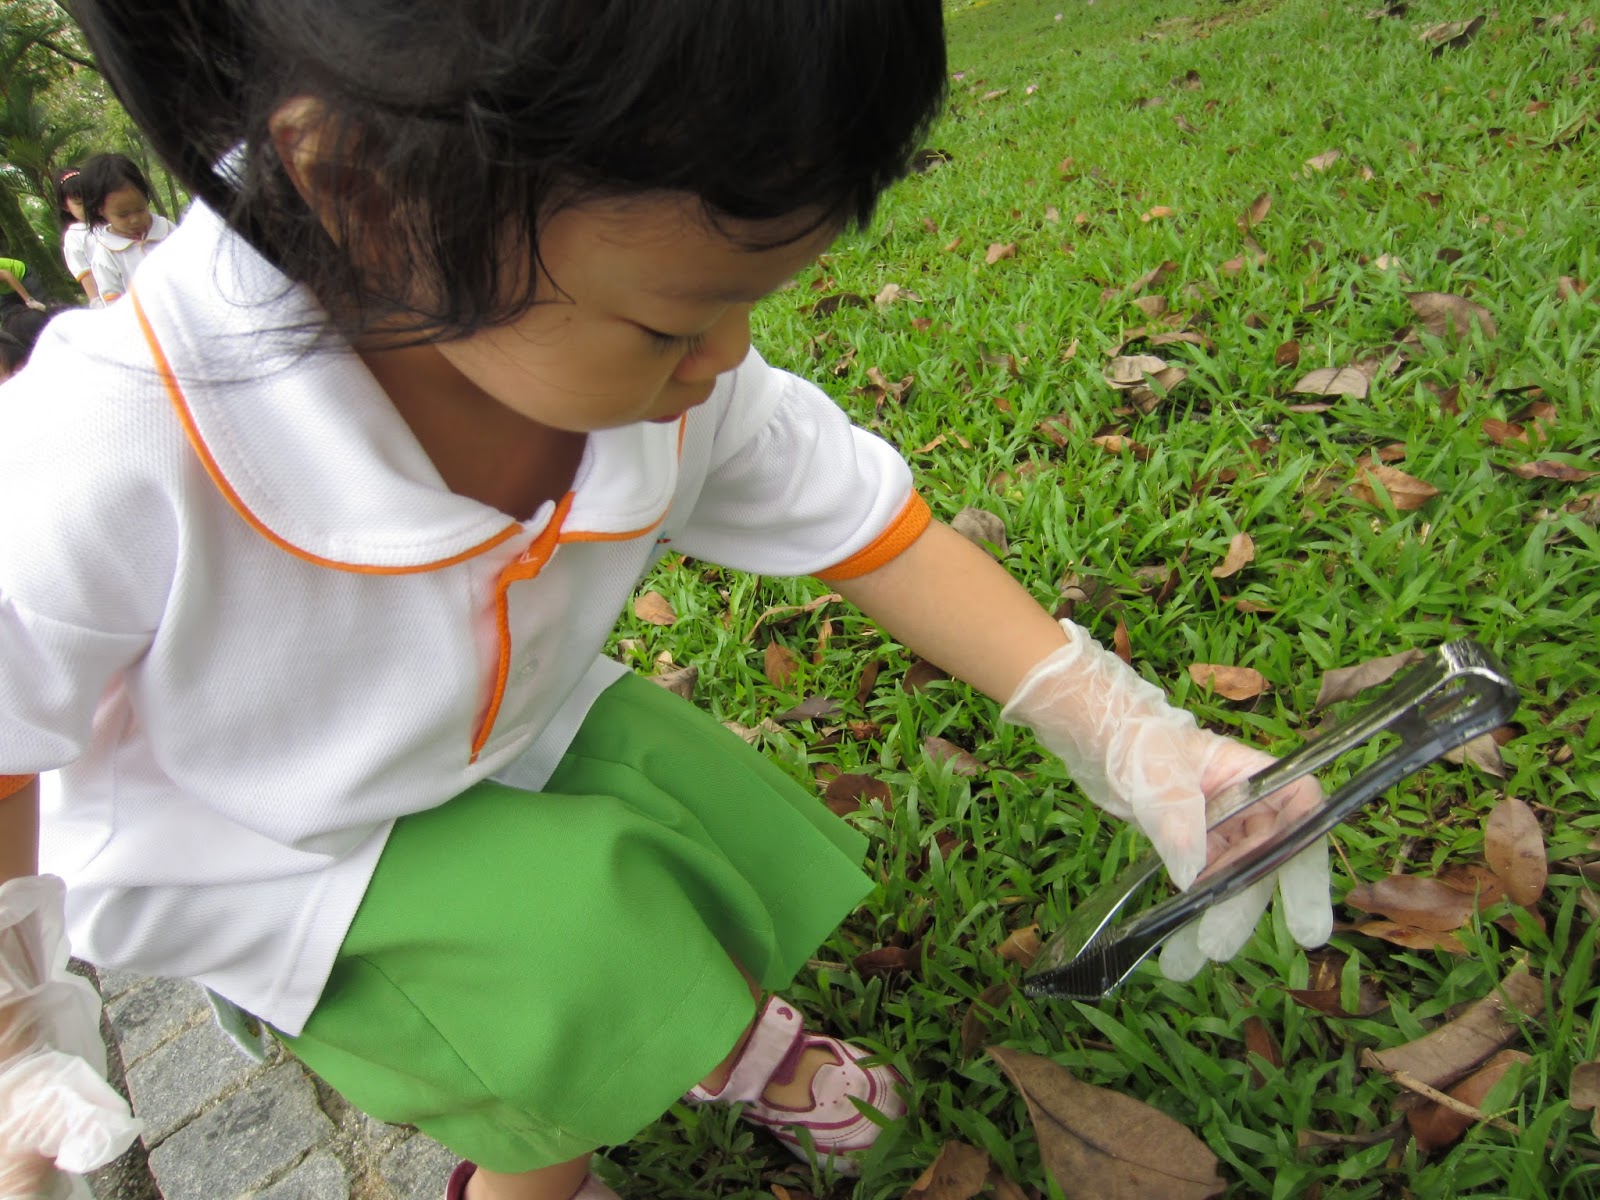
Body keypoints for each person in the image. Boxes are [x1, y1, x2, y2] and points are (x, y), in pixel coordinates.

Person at [0, 3, 1335, 1198]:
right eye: (674, 320)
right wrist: (16, 1030)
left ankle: (718, 1034)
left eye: (748, 302)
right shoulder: (112, 443)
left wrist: (1115, 722)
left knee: (685, 841)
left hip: (509, 725)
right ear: (367, 195)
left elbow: (866, 526)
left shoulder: (652, 358)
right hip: (280, 843)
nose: (728, 357)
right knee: (557, 1016)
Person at [76, 153, 174, 304]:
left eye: (140, 209)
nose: (135, 220)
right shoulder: (106, 255)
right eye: (123, 215)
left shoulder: (166, 229)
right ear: (99, 210)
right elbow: (114, 304)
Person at [53, 167, 102, 307]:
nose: (88, 207)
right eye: (79, 203)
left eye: (91, 199)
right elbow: (85, 273)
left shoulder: (113, 221)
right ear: (65, 206)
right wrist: (97, 302)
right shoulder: (74, 237)